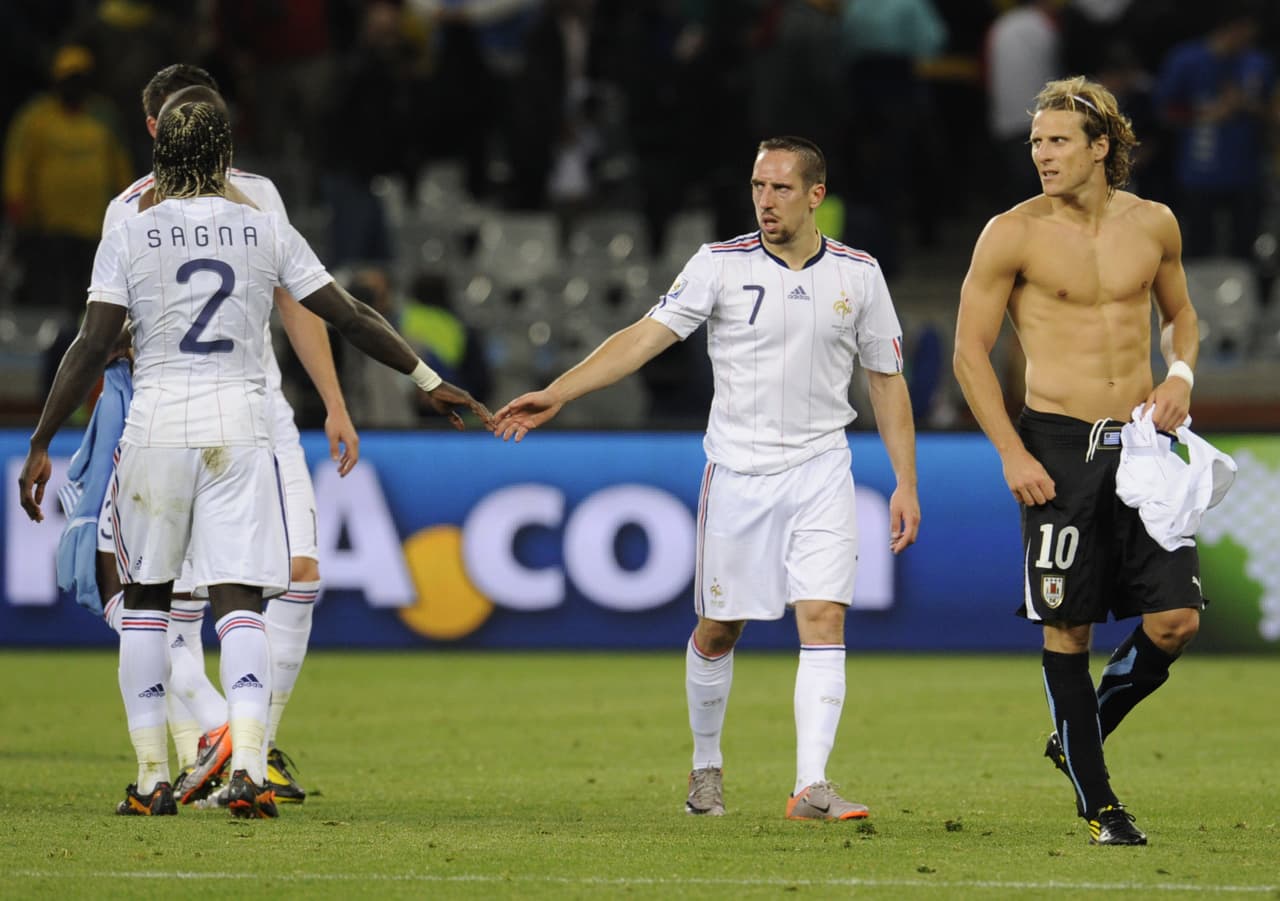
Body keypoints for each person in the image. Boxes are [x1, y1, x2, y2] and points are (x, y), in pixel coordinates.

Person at [17, 95, 490, 818]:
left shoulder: (131, 233)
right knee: (240, 601)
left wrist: (43, 439)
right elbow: (351, 314)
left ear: (160, 154)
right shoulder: (265, 226)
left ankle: (151, 780)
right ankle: (246, 768)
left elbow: (90, 346)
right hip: (240, 425)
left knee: (147, 604)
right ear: (224, 152)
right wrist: (425, 378)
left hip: (158, 424)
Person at [493, 136, 921, 820]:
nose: (765, 200)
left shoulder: (859, 274)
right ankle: (705, 766)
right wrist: (560, 392)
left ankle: (811, 784)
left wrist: (906, 479)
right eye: (757, 186)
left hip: (821, 467)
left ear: (816, 195)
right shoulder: (717, 266)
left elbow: (887, 380)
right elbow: (642, 336)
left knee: (824, 613)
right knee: (719, 629)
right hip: (740, 472)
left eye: (781, 188)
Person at [953, 76, 1202, 846]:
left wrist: (1181, 376)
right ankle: (1101, 804)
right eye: (1035, 142)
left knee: (1175, 620)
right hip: (1056, 449)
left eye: (1058, 141)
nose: (1042, 154)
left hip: (1140, 443)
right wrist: (1010, 451)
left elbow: (1181, 316)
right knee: (1068, 630)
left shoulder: (1154, 224)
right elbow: (969, 352)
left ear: (1102, 148)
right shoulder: (1011, 232)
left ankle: (1079, 731)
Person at [103, 64, 356, 808]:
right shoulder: (128, 212)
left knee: (299, 575)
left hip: (260, 412)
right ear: (152, 128)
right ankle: (210, 744)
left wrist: (334, 401)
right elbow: (112, 328)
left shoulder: (263, 198)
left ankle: (251, 749)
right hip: (173, 415)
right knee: (177, 600)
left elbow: (300, 302)